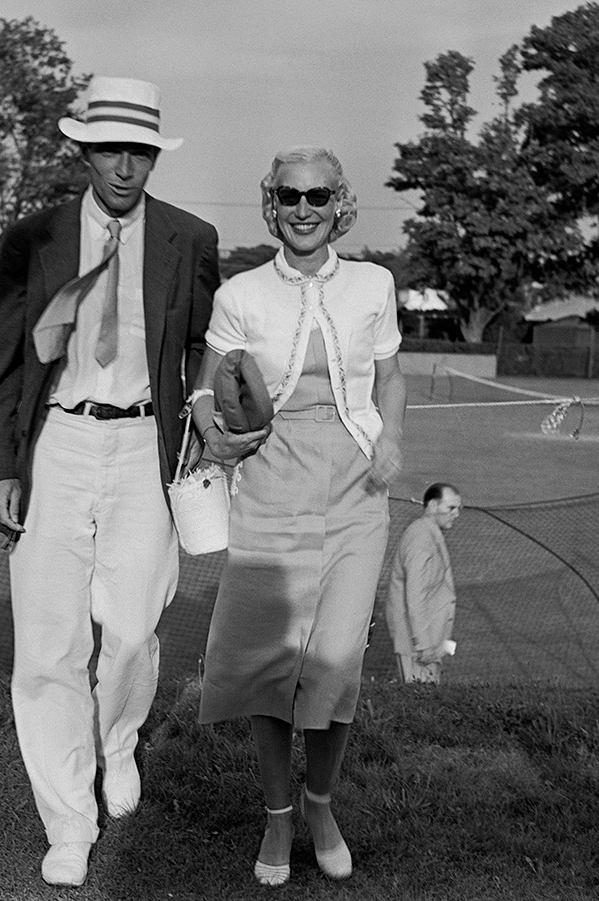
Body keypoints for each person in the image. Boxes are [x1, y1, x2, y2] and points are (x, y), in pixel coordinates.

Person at [0, 76, 219, 888]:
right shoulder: (31, 240)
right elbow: (4, 365)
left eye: (141, 150)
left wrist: (202, 429)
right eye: (111, 148)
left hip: (144, 447)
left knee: (131, 632)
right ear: (82, 148)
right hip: (56, 447)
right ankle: (69, 822)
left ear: (155, 155)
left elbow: (197, 354)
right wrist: (3, 467)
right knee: (47, 647)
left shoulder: (191, 238)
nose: (125, 165)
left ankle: (119, 739)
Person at [192, 146, 406, 886]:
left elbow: (390, 375)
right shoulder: (241, 294)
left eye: (319, 196)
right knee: (270, 661)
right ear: (272, 204)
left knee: (337, 659)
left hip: (356, 489)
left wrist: (394, 440)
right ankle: (278, 815)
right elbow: (204, 385)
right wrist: (211, 429)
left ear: (340, 202)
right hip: (271, 482)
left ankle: (321, 801)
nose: (305, 208)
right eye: (290, 196)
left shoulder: (375, 283)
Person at [386, 483, 461, 684]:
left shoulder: (430, 533)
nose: (456, 514)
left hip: (429, 641)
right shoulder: (419, 537)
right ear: (433, 505)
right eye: (451, 508)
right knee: (418, 702)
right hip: (419, 646)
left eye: (458, 509)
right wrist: (424, 645)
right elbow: (415, 595)